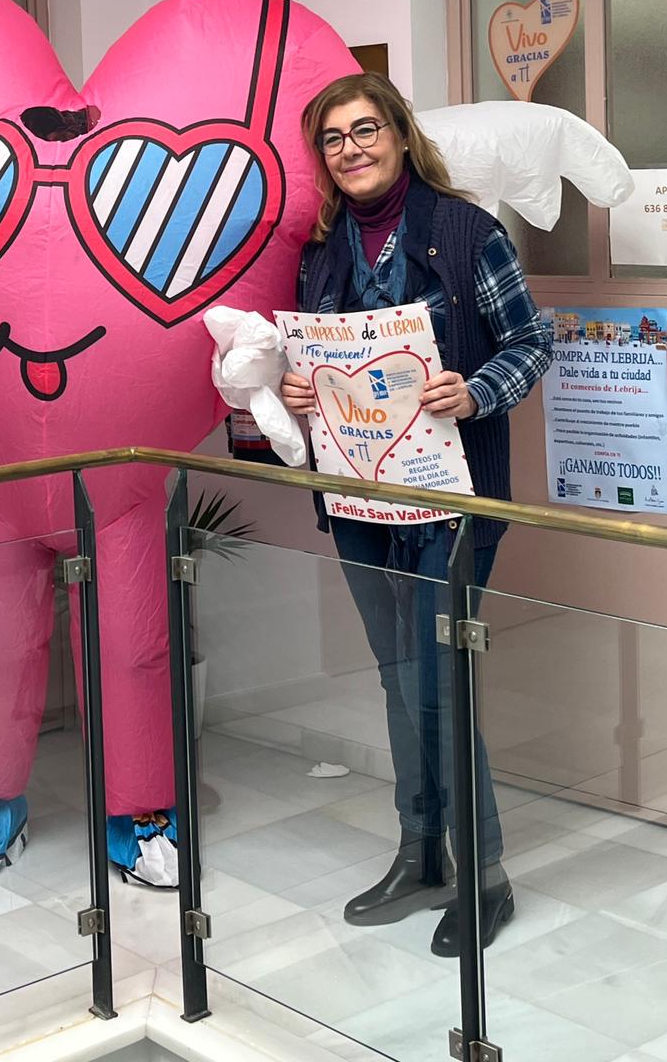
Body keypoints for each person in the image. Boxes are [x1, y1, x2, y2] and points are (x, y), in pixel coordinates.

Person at [280, 74, 551, 957]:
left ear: (399, 135)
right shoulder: (320, 253)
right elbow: (312, 364)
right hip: (360, 501)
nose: (350, 149)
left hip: (450, 504)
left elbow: (532, 341)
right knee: (398, 678)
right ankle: (420, 852)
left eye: (366, 130)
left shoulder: (468, 233)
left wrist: (475, 392)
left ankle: (485, 876)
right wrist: (299, 387)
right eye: (333, 138)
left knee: (440, 683)